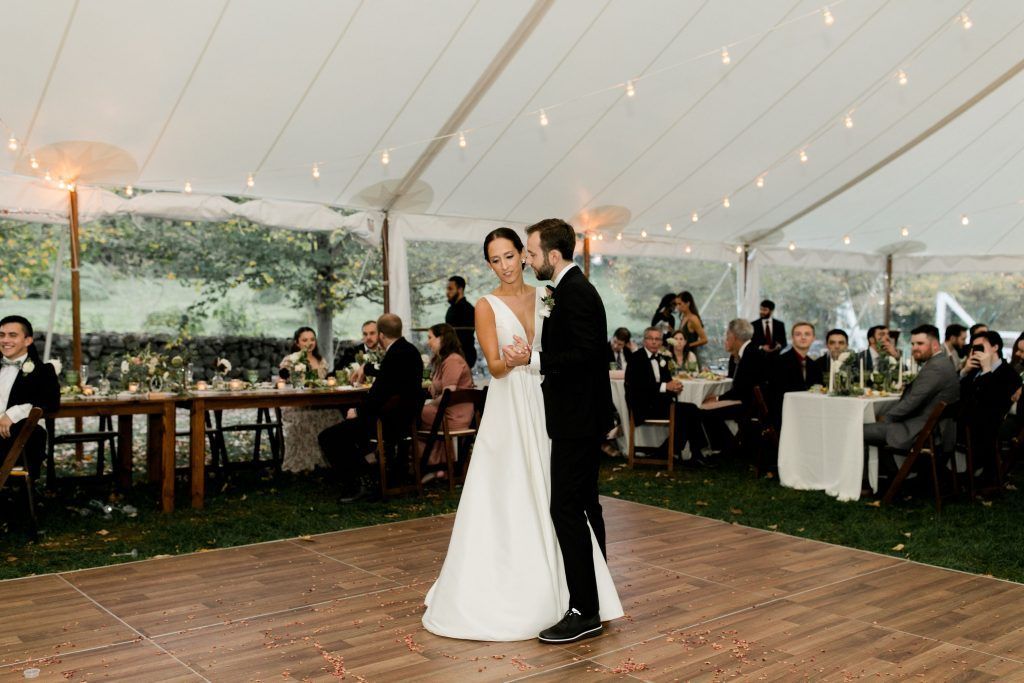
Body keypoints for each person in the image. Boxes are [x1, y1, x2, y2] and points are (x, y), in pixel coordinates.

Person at [422, 225, 622, 643]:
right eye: (495, 260)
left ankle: (582, 593)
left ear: (524, 256)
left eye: (512, 256)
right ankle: (541, 590)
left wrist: (533, 358)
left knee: (568, 496)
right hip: (513, 402)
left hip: (551, 401)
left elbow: (571, 350)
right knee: (519, 490)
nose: (506, 266)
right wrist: (514, 361)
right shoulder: (484, 305)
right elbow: (493, 367)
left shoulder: (549, 294)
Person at [317, 314, 423, 501]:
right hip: (406, 418)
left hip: (387, 422)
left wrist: (357, 411)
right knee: (345, 433)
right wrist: (368, 370)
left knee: (328, 437)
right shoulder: (410, 351)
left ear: (381, 335)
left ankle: (360, 482)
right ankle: (369, 475)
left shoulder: (395, 355)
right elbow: (389, 382)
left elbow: (380, 393)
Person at [863, 325, 959, 454]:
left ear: (935, 345)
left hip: (920, 431)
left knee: (857, 430)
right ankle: (888, 471)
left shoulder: (935, 368)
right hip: (930, 428)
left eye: (920, 343)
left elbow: (912, 401)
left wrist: (885, 418)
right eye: (913, 344)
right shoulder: (941, 362)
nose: (914, 348)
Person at [625, 328, 710, 465]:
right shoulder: (636, 358)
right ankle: (684, 452)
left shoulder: (663, 358)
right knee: (688, 412)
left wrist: (674, 387)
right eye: (650, 338)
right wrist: (666, 386)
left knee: (691, 410)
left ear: (661, 341)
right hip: (644, 406)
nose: (654, 342)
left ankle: (687, 452)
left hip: (661, 404)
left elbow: (667, 383)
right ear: (644, 340)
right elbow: (639, 387)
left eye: (657, 339)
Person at [0, 316, 59, 482]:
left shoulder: (43, 371)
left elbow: (51, 401)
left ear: (28, 340)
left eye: (12, 335)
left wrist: (14, 413)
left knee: (34, 433)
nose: (5, 340)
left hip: (16, 442)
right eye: (1, 335)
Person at [959, 331, 1021, 485]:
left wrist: (987, 371)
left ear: (995, 347)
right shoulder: (974, 369)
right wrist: (964, 371)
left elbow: (992, 403)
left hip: (987, 425)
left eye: (981, 347)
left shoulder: (1009, 374)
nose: (977, 351)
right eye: (974, 348)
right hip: (965, 419)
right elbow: (957, 394)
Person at [417, 323, 474, 480]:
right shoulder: (443, 360)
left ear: (441, 338)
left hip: (453, 414)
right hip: (445, 411)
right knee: (416, 415)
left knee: (411, 414)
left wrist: (429, 405)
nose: (428, 342)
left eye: (430, 338)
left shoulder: (453, 361)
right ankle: (438, 467)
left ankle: (423, 466)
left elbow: (449, 393)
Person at [277, 327, 334, 473]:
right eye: (305, 340)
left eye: (312, 339)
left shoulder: (321, 360)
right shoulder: (290, 360)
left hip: (319, 402)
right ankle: (304, 462)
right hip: (296, 403)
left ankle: (327, 459)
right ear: (297, 343)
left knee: (334, 414)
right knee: (304, 418)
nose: (309, 343)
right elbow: (281, 381)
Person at [769, 322, 823, 426]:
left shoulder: (814, 365)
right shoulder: (779, 362)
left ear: (813, 338)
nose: (803, 337)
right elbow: (775, 396)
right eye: (798, 334)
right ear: (792, 338)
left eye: (807, 334)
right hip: (784, 416)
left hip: (809, 414)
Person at [445, 276, 478, 369]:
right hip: (454, 353)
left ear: (460, 289)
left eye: (450, 289)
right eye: (447, 289)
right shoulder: (451, 309)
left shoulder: (468, 309)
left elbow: (464, 336)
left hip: (464, 355)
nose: (447, 292)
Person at [673, 291, 708, 368]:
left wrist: (688, 345)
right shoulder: (683, 318)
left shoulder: (693, 319)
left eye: (680, 304)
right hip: (683, 356)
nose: (677, 307)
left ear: (688, 303)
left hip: (692, 357)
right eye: (676, 304)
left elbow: (704, 339)